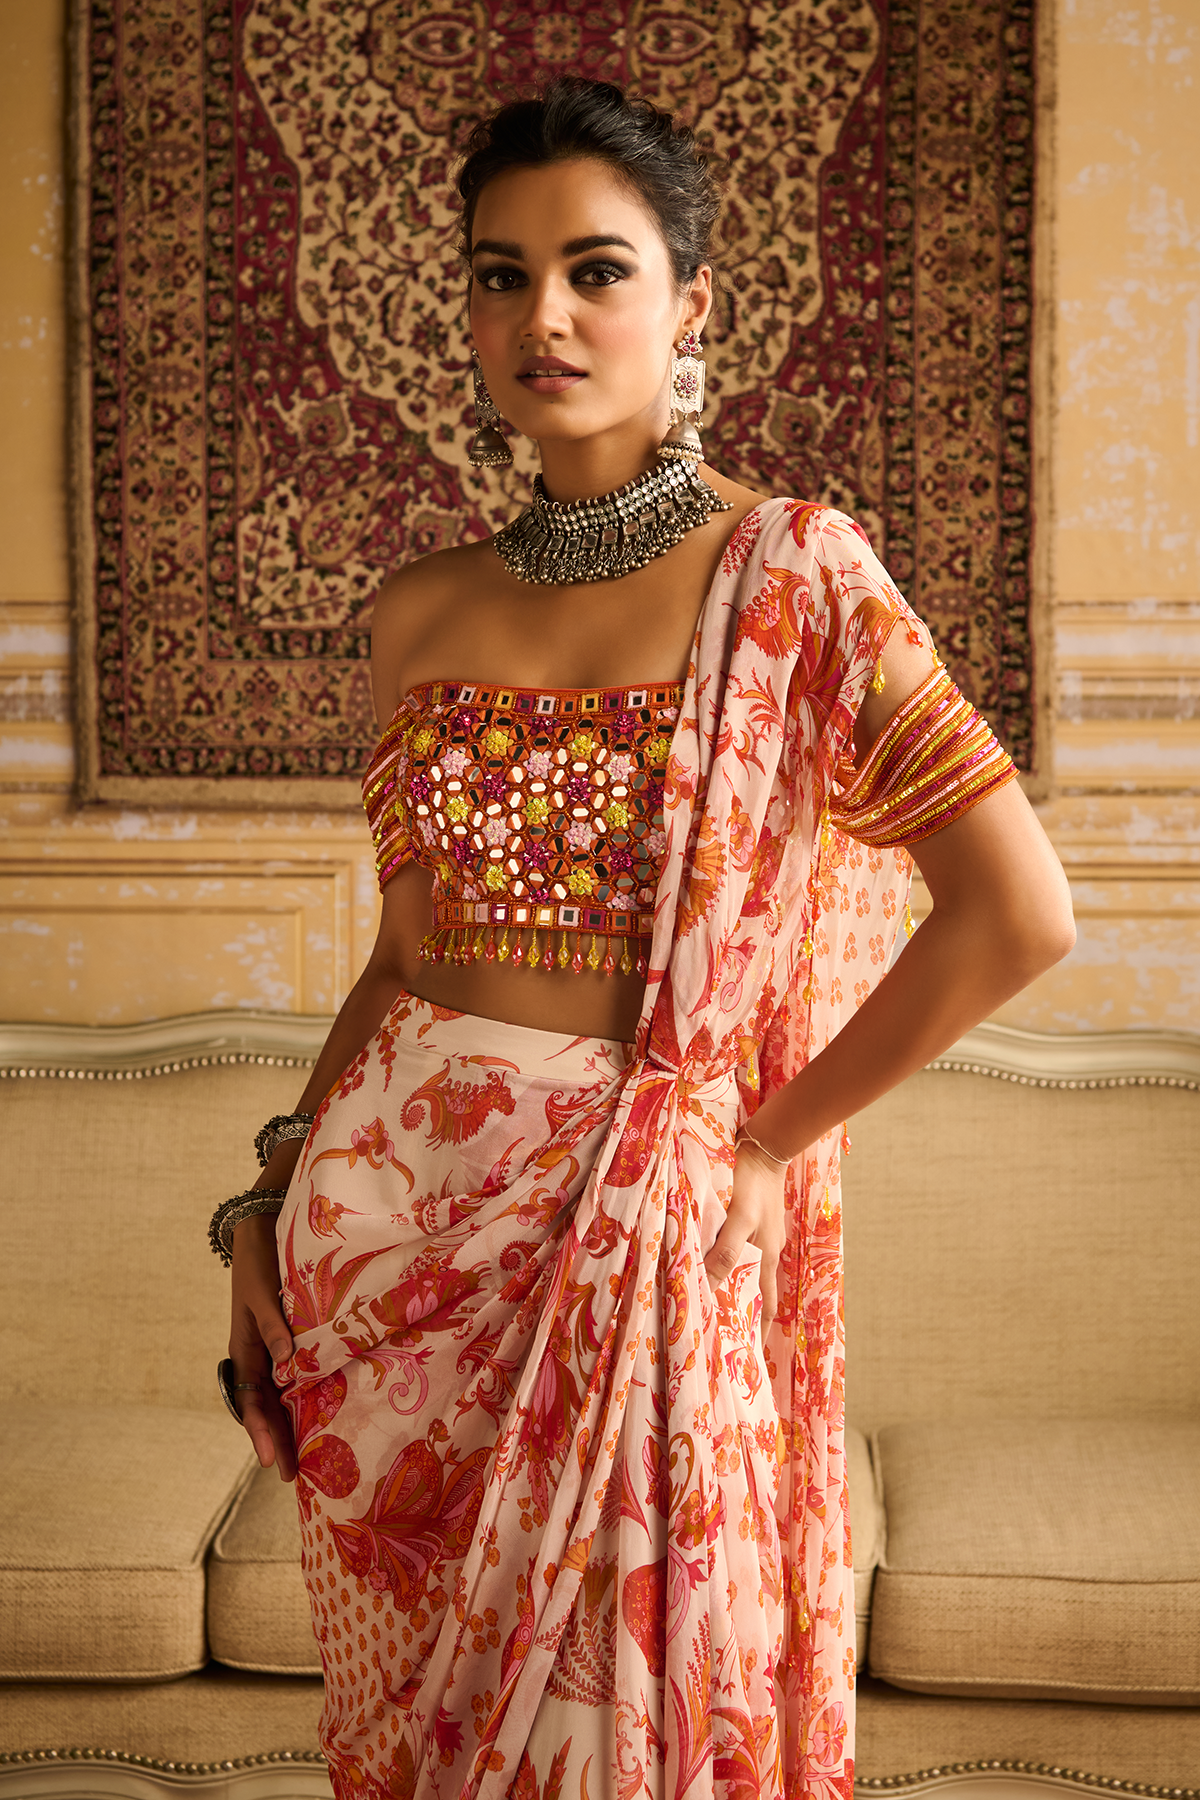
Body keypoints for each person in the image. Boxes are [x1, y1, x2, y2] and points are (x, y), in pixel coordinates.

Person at [214, 78, 1074, 1800]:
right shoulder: (418, 608)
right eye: (501, 275)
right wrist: (272, 1196)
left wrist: (766, 1142)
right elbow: (405, 955)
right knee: (423, 1749)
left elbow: (1017, 915)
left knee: (629, 1741)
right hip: (379, 1249)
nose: (544, 316)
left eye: (596, 270)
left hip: (634, 1234)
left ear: (691, 306)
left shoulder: (799, 576)